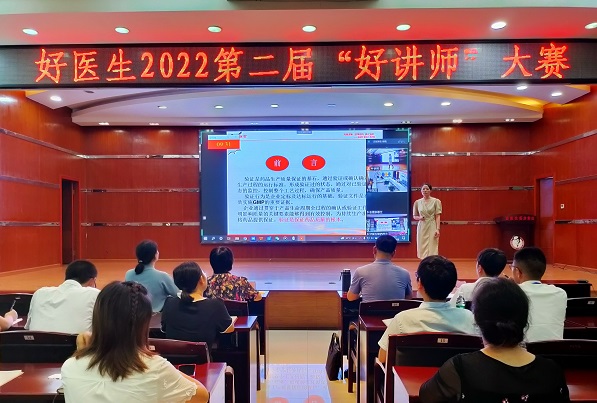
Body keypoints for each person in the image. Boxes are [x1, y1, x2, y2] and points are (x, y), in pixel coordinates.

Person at [419, 278, 570, 403]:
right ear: (524, 320)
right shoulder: (552, 371)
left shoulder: (459, 369)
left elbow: (425, 396)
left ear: (477, 320)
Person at [61, 281, 209, 403]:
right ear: (144, 323)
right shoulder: (154, 367)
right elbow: (202, 396)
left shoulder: (69, 367)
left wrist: (82, 351)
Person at [378, 256, 476, 364]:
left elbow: (382, 359)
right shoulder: (470, 318)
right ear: (453, 286)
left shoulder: (402, 319)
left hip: (413, 375)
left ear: (419, 283)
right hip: (457, 374)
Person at [162, 261, 234, 348]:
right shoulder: (215, 305)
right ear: (201, 280)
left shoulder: (169, 303)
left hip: (173, 357)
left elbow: (164, 329)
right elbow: (229, 329)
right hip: (203, 357)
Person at [510, 246, 567, 342]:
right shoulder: (560, 293)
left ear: (517, 271)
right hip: (555, 350)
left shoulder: (510, 293)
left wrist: (510, 287)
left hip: (523, 350)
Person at [26, 260, 99, 333]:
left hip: (39, 340)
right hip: (75, 340)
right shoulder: (94, 294)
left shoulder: (40, 293)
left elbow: (28, 328)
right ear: (92, 281)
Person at [347, 235, 412, 303]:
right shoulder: (405, 274)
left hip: (370, 310)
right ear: (394, 253)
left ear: (374, 250)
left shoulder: (360, 271)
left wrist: (361, 293)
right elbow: (409, 298)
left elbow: (351, 297)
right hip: (396, 310)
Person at [125, 240, 178, 312]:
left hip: (135, 313)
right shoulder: (162, 276)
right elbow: (177, 294)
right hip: (157, 315)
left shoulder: (128, 274)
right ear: (155, 255)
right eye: (157, 251)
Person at [413, 183, 442, 259]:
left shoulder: (436, 201)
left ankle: (432, 263)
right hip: (422, 226)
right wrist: (419, 218)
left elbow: (437, 216)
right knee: (422, 245)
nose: (425, 190)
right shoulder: (417, 202)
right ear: (421, 191)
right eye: (423, 189)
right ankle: (423, 262)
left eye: (427, 189)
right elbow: (414, 216)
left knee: (432, 245)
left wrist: (437, 229)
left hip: (432, 225)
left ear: (430, 190)